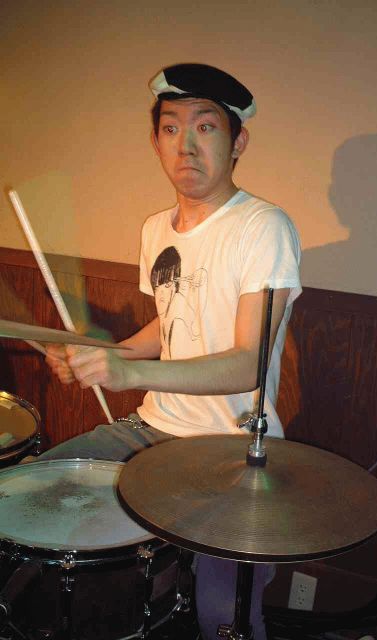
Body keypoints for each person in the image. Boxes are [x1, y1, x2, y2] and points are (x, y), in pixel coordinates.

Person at [44, 63, 302, 639]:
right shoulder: (156, 229)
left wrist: (127, 371)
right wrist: (101, 354)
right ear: (155, 141)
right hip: (150, 430)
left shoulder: (263, 227)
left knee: (222, 615)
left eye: (205, 127)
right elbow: (172, 320)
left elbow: (247, 363)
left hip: (232, 446)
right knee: (33, 492)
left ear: (238, 142)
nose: (185, 145)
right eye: (170, 128)